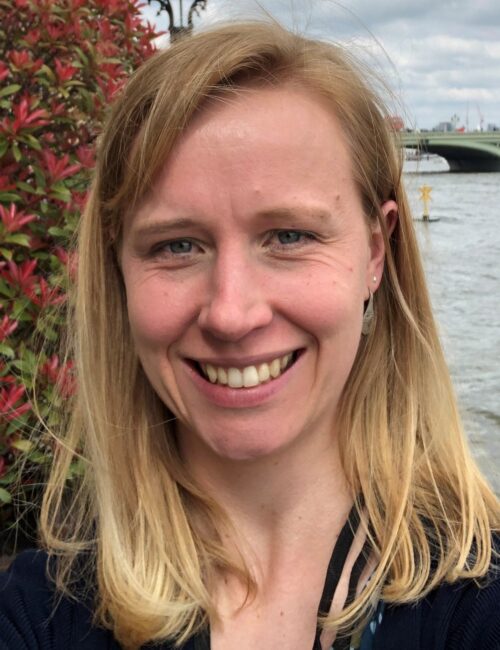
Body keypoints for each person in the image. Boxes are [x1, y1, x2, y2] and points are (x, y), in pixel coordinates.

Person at [1, 20, 499, 650]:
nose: (231, 314)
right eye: (176, 245)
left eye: (289, 236)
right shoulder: (38, 612)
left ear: (376, 253)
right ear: (118, 271)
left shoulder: (479, 600)